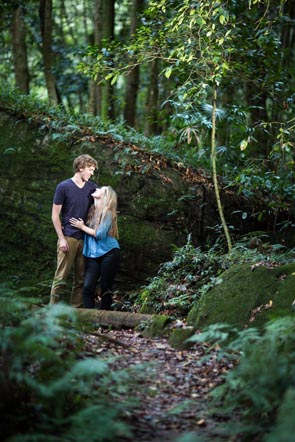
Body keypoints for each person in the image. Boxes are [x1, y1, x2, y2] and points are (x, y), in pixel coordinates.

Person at [50, 154, 98, 307]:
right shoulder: (63, 187)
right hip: (68, 237)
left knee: (81, 279)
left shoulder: (92, 187)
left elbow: (100, 208)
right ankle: (52, 312)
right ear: (80, 168)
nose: (92, 173)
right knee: (61, 276)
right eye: (90, 170)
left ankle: (75, 311)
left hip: (85, 239)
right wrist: (62, 238)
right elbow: (54, 215)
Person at [69, 186, 120, 310]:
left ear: (105, 196)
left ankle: (106, 319)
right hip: (92, 254)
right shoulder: (91, 209)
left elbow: (99, 234)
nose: (97, 188)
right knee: (87, 286)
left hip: (109, 253)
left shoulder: (107, 212)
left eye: (101, 189)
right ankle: (89, 318)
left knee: (105, 287)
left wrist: (82, 227)